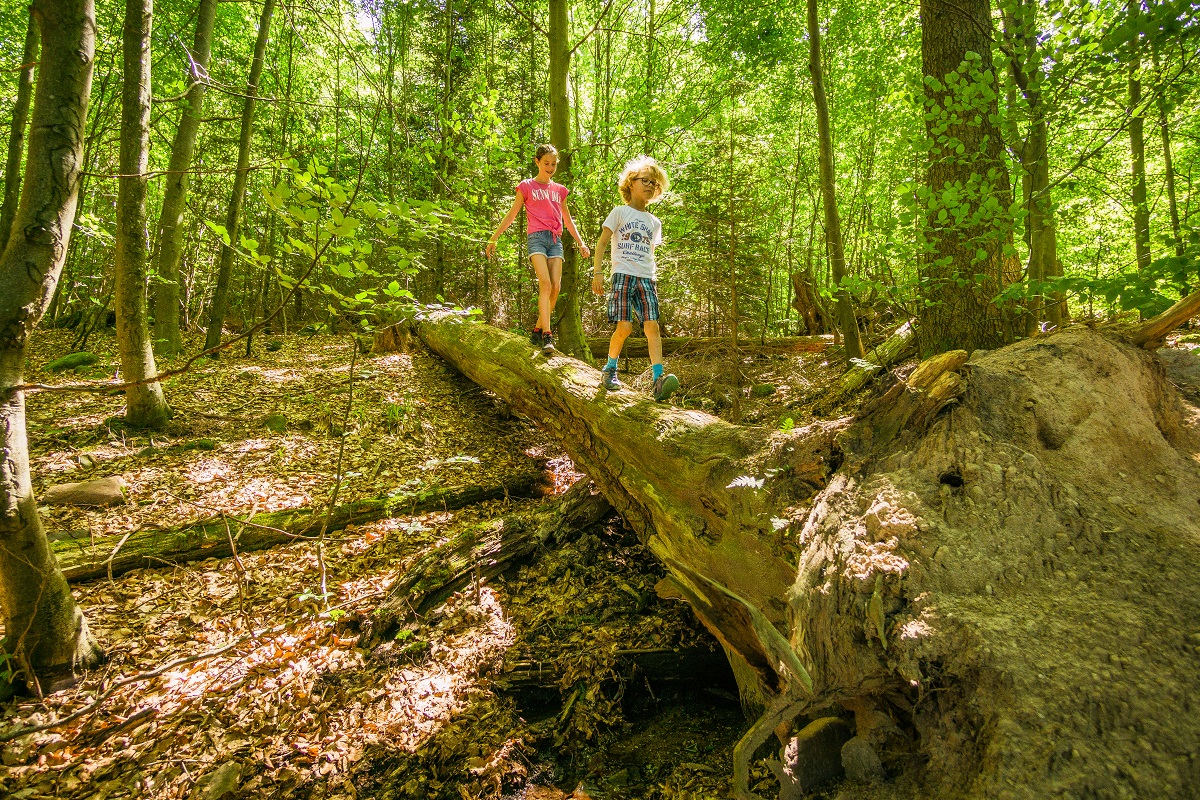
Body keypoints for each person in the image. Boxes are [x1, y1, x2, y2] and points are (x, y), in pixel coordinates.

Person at [485, 144, 589, 354]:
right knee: (545, 283)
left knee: (556, 288)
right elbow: (512, 214)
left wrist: (581, 242)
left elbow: (567, 219)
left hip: (555, 240)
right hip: (536, 239)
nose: (550, 167)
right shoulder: (526, 186)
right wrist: (493, 238)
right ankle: (547, 336)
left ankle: (536, 330)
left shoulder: (559, 190)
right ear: (537, 162)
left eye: (553, 164)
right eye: (546, 163)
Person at [590, 156, 679, 402]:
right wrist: (598, 272)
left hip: (646, 278)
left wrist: (652, 276)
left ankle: (658, 380)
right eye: (645, 181)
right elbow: (602, 243)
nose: (650, 186)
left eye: (655, 183)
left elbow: (650, 252)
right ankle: (610, 369)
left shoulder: (654, 222)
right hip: (622, 276)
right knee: (625, 327)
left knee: (652, 327)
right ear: (631, 183)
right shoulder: (620, 212)